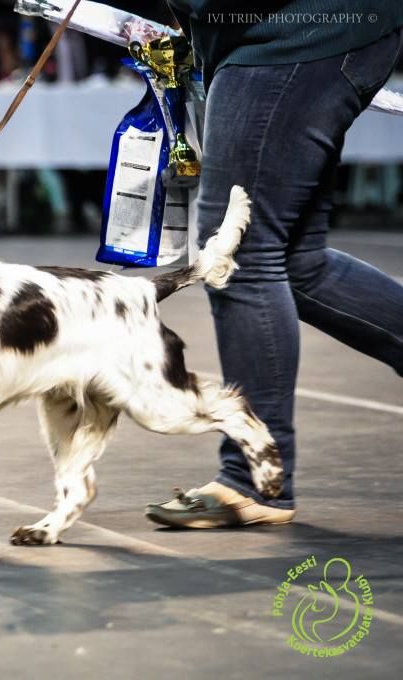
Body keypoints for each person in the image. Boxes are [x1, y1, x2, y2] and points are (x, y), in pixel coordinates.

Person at [146, 1, 403, 528]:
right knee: (294, 262)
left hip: (297, 31)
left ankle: (255, 478)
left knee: (237, 252)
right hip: (305, 29)